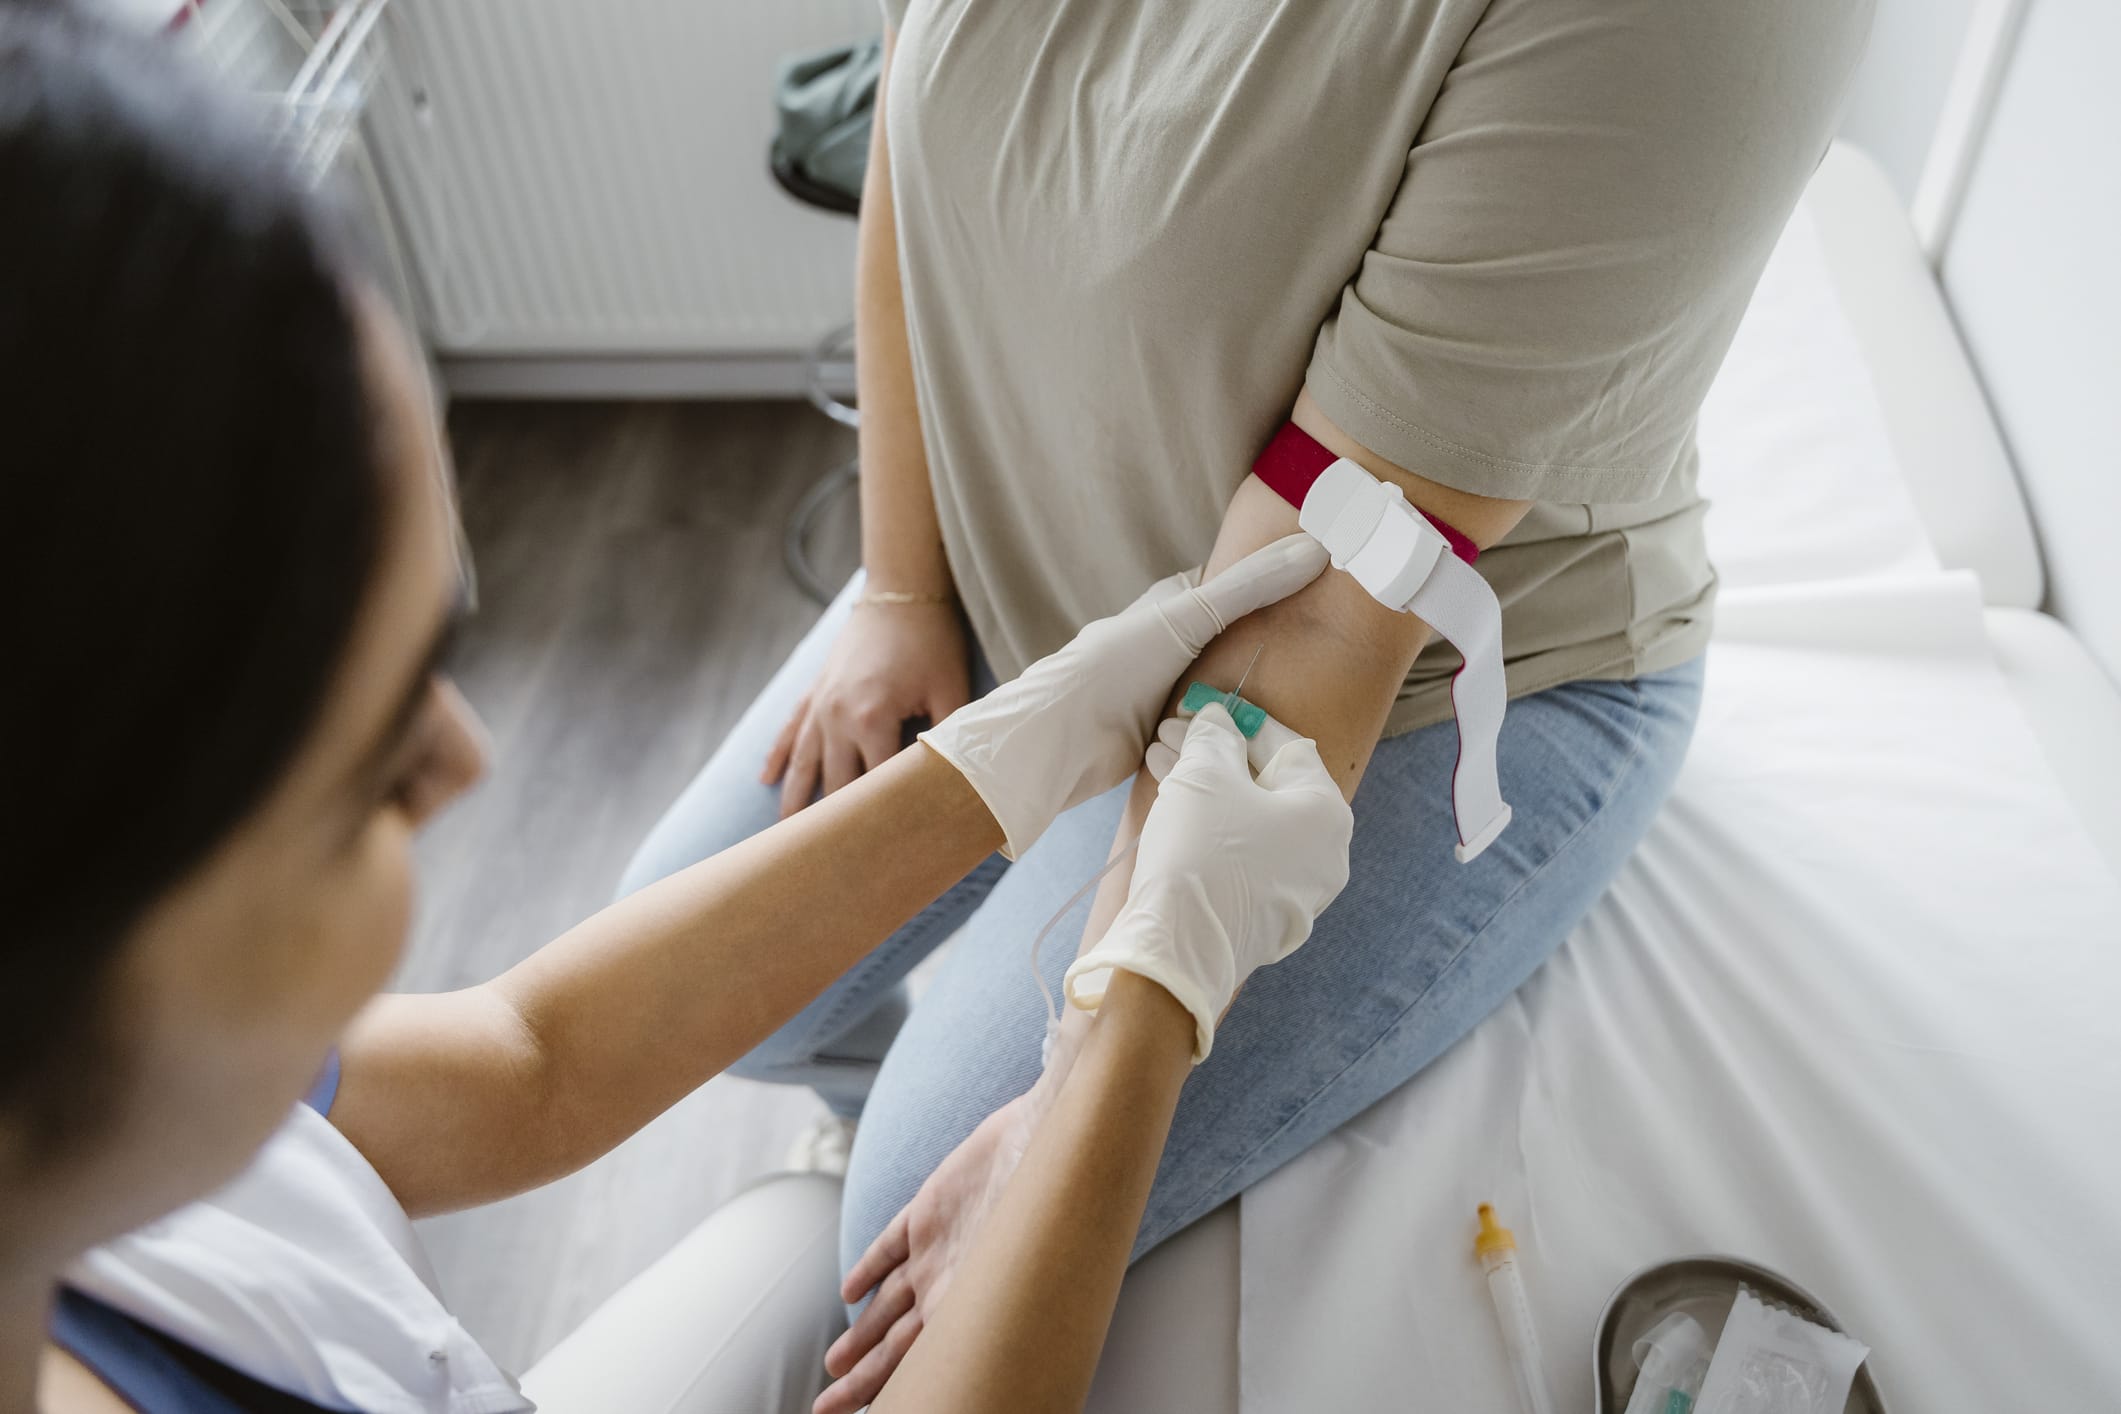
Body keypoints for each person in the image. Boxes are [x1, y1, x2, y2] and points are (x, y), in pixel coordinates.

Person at [0, 12, 1353, 1413]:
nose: (463, 759)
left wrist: (989, 764)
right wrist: (1135, 1016)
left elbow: (531, 1065)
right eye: (366, 758)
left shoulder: (119, 1063)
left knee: (798, 1238)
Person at [613, 1, 1876, 1407]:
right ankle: (886, 1119)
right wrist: (902, 584)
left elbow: (1327, 605)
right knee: (682, 983)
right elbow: (914, 133)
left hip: (1411, 683)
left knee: (914, 1204)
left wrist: (1082, 1082)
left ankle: (897, 1158)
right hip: (1040, 564)